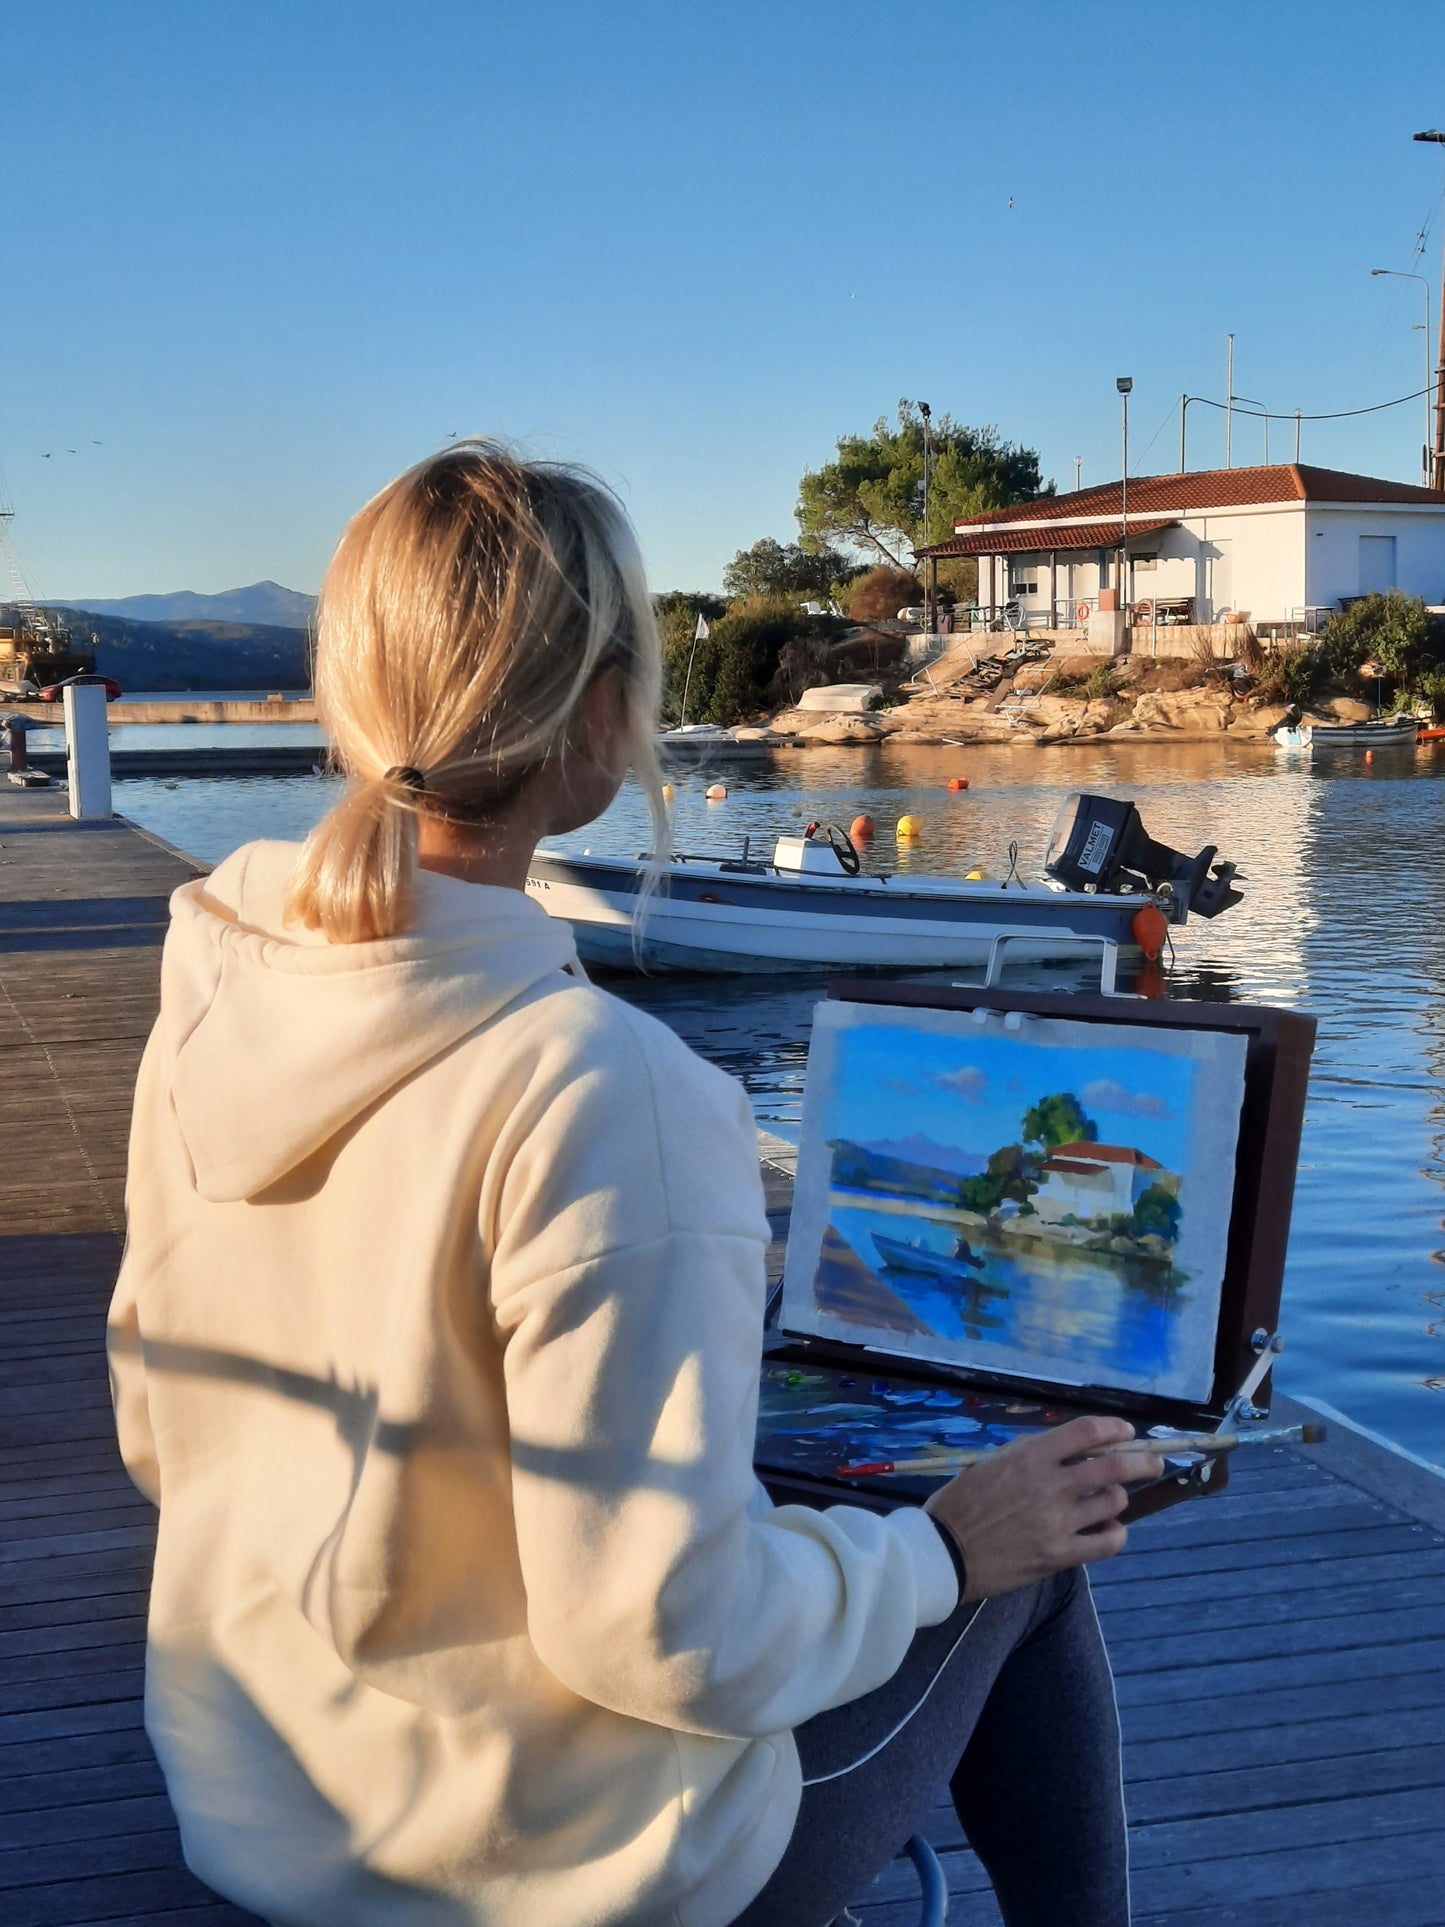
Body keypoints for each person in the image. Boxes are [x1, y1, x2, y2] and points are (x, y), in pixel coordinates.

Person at [109, 442, 1161, 1927]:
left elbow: (160, 1434)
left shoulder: (221, 991)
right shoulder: (610, 1091)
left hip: (265, 1798)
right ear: (601, 714)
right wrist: (934, 1548)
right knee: (1025, 1549)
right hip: (531, 1869)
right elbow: (663, 1642)